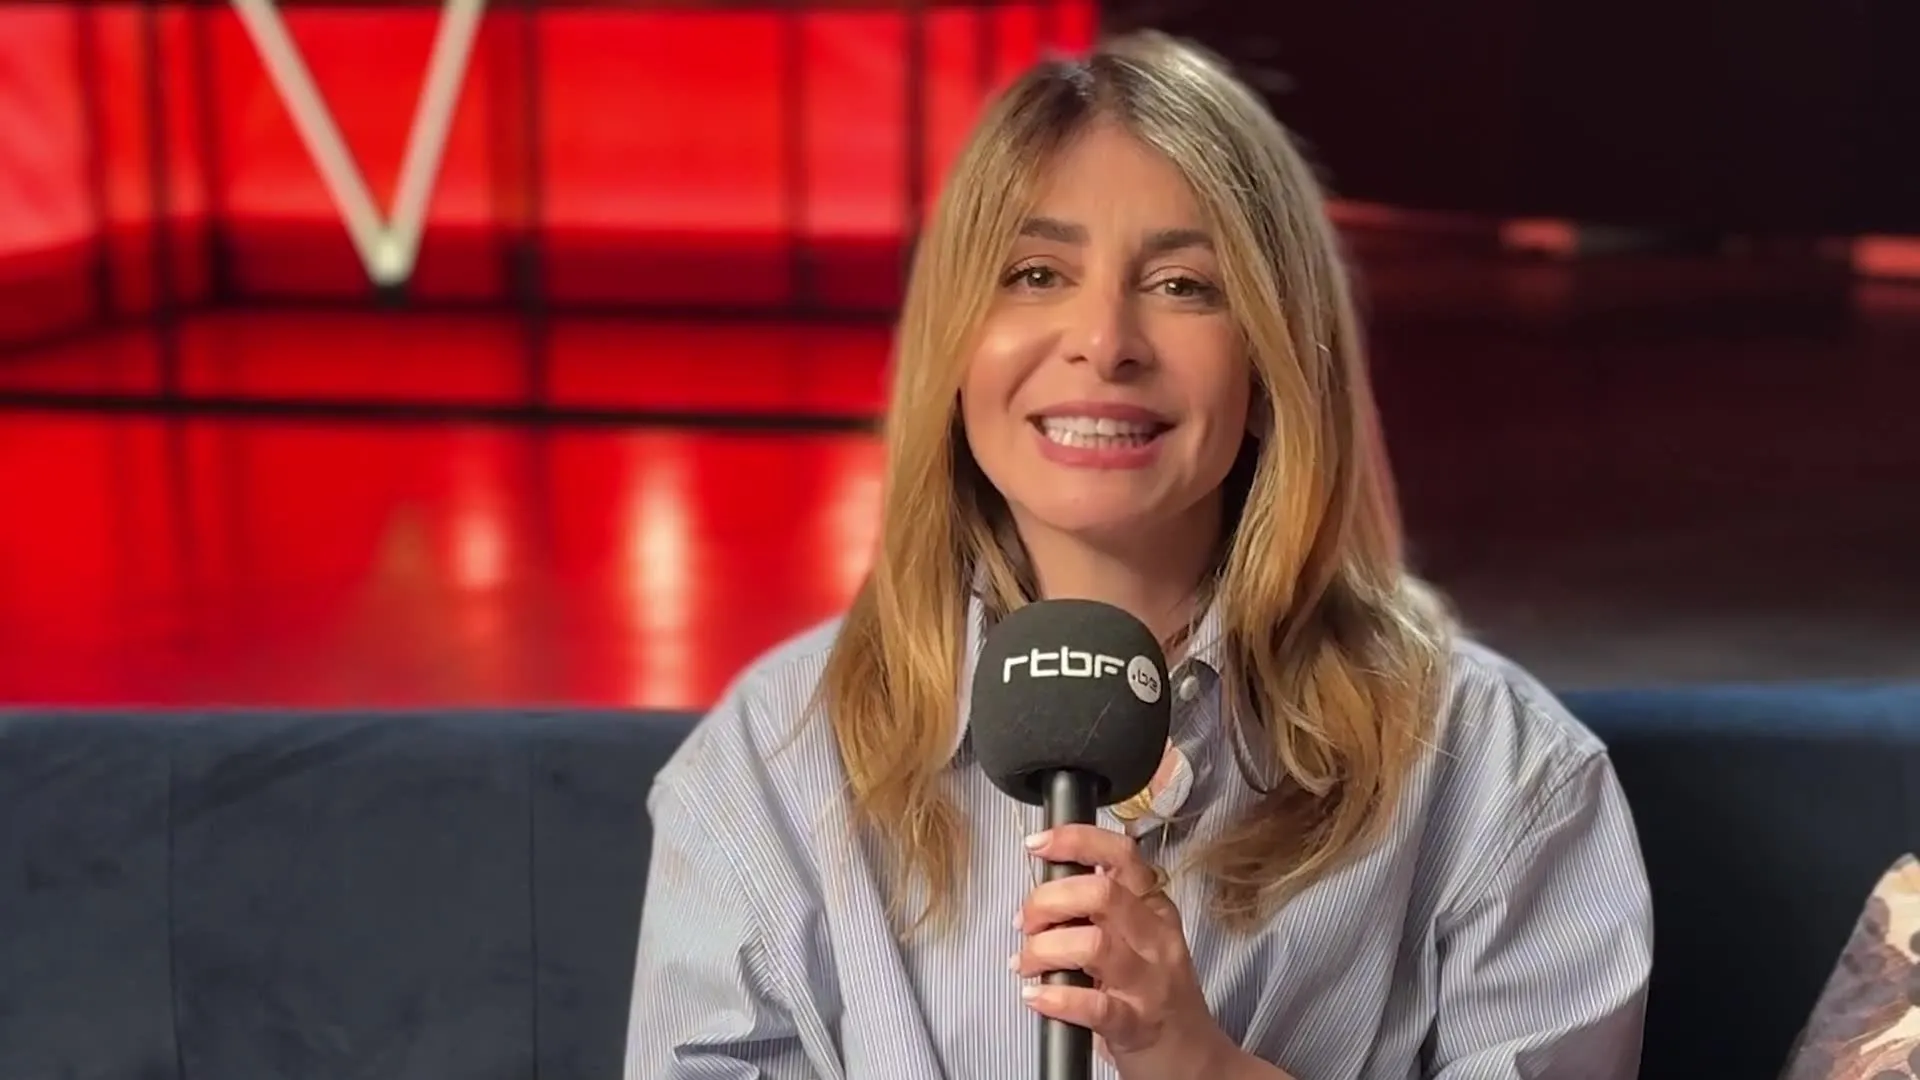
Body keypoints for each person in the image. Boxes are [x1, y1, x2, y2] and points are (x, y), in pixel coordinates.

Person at [625, 30, 1652, 1080]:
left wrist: (1198, 1065)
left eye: (1182, 285)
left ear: (1274, 360)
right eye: (1036, 273)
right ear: (953, 348)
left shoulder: (1499, 771)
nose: (1104, 340)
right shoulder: (774, 756)